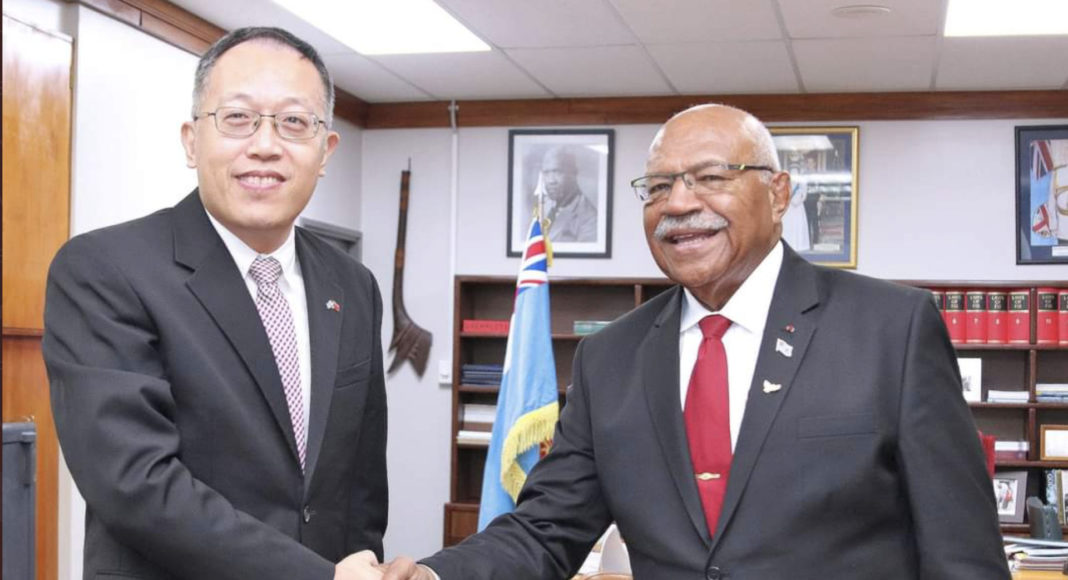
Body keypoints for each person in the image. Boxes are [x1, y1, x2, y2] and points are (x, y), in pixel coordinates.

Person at [376, 104, 1009, 579]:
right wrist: (436, 574)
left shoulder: (891, 331)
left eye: (711, 177)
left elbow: (963, 555)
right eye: (657, 187)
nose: (679, 203)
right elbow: (547, 528)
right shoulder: (609, 361)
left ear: (779, 192)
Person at [43, 27, 386, 580]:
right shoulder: (104, 270)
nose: (266, 145)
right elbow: (136, 483)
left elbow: (361, 482)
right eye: (238, 118)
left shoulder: (352, 285)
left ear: (325, 151)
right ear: (190, 140)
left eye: (295, 122)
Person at [536, 145, 597, 243]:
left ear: (573, 174)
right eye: (546, 173)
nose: (551, 181)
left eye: (557, 172)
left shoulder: (589, 219)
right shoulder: (546, 207)